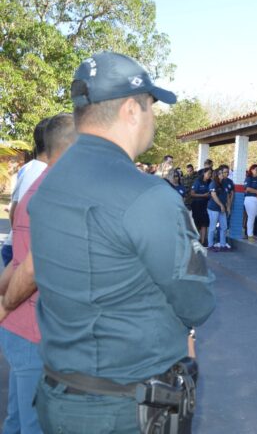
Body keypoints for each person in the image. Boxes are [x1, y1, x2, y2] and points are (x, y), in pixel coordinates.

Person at [28, 52, 216, 433]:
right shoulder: (146, 195)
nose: (153, 117)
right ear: (132, 109)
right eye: (152, 107)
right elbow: (196, 301)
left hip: (59, 395)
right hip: (121, 409)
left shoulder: (49, 185)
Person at [0, 113, 76, 434]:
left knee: (18, 419)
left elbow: (18, 261)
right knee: (34, 424)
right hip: (34, 331)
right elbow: (31, 269)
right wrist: (5, 305)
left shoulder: (45, 186)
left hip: (24, 328)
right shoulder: (57, 194)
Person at [2, 119, 50, 267]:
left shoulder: (27, 168)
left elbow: (14, 210)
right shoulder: (48, 174)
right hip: (26, 251)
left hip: (13, 245)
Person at [208, 167, 231, 251]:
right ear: (216, 175)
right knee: (213, 227)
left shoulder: (224, 183)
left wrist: (228, 206)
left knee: (224, 227)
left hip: (222, 209)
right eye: (220, 173)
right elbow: (214, 196)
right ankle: (210, 245)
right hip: (214, 208)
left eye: (222, 173)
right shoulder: (213, 183)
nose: (222, 174)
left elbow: (228, 195)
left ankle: (222, 245)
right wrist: (221, 205)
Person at [191, 168, 213, 246]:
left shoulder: (210, 182)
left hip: (206, 205)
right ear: (204, 173)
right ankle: (196, 240)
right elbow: (192, 194)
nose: (210, 175)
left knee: (205, 223)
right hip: (197, 204)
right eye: (208, 173)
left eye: (211, 174)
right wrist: (203, 195)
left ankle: (203, 241)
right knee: (197, 223)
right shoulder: (197, 181)